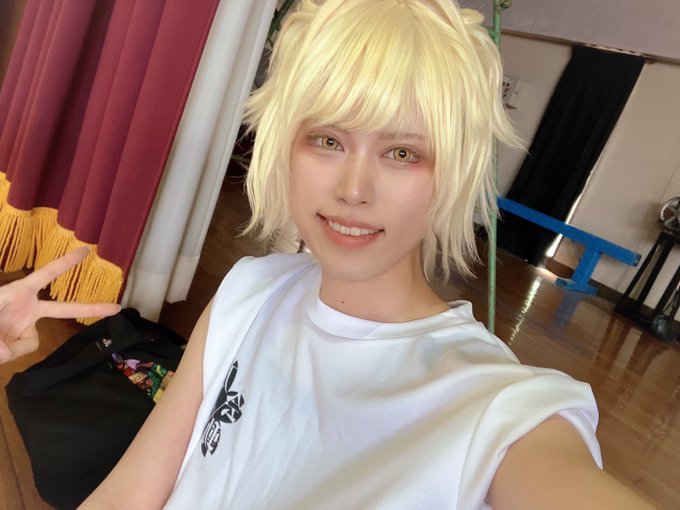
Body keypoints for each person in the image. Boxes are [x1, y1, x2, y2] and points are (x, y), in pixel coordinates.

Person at [2, 1, 656, 508]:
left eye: (402, 152)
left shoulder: (500, 411)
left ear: (453, 172)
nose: (353, 190)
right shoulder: (250, 287)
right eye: (328, 140)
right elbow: (131, 492)